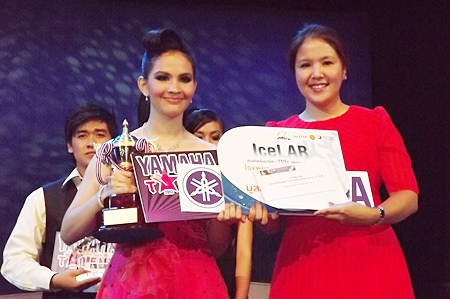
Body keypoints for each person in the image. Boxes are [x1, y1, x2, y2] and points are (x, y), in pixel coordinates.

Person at [245, 23, 419, 298]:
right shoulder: (277, 134)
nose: (317, 74)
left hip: (371, 259)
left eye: (327, 62)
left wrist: (375, 215)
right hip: (303, 265)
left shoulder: (373, 122)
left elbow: (408, 196)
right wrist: (260, 214)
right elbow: (272, 222)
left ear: (344, 69)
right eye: (305, 65)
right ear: (294, 73)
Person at [60, 28, 231, 299]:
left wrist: (222, 216)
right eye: (163, 78)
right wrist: (104, 195)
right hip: (131, 284)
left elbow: (216, 247)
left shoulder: (213, 156)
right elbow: (68, 232)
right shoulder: (113, 151)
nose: (174, 88)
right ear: (144, 85)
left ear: (194, 87)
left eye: (184, 79)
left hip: (195, 281)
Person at [1, 103, 118, 298]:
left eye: (100, 134)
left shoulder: (133, 194)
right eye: (82, 135)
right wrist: (53, 279)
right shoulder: (43, 198)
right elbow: (14, 261)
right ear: (69, 146)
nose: (91, 143)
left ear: (113, 143)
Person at [184, 107, 253, 299]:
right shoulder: (175, 181)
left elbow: (243, 251)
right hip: (184, 279)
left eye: (215, 137)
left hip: (223, 282)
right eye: (199, 136)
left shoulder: (236, 182)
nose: (208, 144)